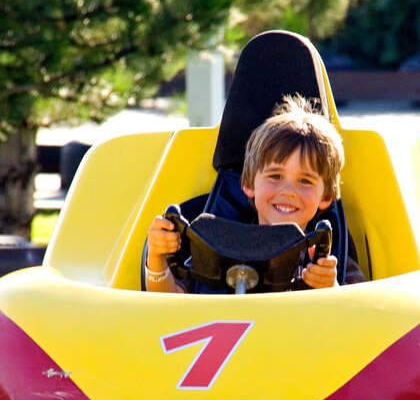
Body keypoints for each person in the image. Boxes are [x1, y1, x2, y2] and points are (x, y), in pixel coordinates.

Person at [145, 94, 365, 293]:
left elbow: (364, 322)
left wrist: (331, 289)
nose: (288, 191)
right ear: (249, 184)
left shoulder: (332, 264)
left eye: (305, 181)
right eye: (276, 176)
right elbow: (171, 304)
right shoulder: (215, 246)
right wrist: (156, 257)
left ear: (326, 197)